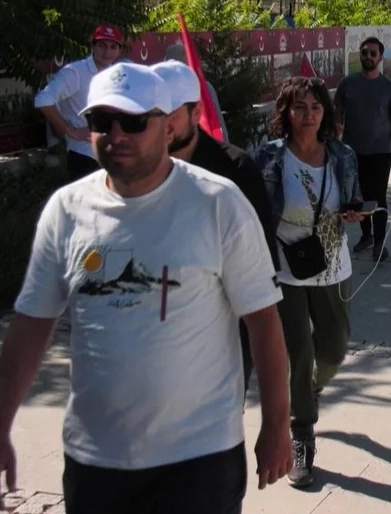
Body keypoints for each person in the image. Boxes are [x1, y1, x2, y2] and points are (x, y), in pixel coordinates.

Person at [0, 62, 292, 512]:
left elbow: (264, 322)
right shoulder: (67, 209)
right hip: (96, 461)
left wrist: (276, 425)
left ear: (166, 124)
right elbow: (31, 324)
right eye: (102, 121)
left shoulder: (218, 202)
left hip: (199, 458)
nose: (117, 134)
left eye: (134, 122)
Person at [253, 77, 362, 488]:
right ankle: (302, 434)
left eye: (315, 108)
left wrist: (353, 213)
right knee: (298, 352)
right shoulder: (269, 158)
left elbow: (353, 197)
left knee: (333, 349)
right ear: (286, 112)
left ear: (325, 112)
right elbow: (252, 206)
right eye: (299, 108)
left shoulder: (342, 155)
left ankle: (309, 390)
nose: (308, 116)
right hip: (284, 270)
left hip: (333, 265)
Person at [152, 60, 277, 393]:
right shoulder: (135, 170)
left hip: (219, 340)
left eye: (171, 114)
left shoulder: (234, 171)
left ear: (196, 114)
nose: (160, 124)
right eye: (152, 114)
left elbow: (262, 268)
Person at [334, 37, 391, 262]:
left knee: (378, 197)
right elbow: (337, 112)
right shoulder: (348, 84)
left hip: (381, 151)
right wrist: (336, 138)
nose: (369, 57)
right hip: (352, 152)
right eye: (365, 53)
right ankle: (366, 236)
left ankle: (380, 243)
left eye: (373, 53)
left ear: (380, 58)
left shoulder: (388, 87)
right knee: (358, 196)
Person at [34, 25, 124, 181]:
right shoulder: (75, 72)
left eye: (113, 47)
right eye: (102, 45)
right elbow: (43, 100)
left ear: (119, 50)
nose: (107, 52)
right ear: (93, 45)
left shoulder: (115, 73)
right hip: (85, 156)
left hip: (109, 153)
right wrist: (70, 130)